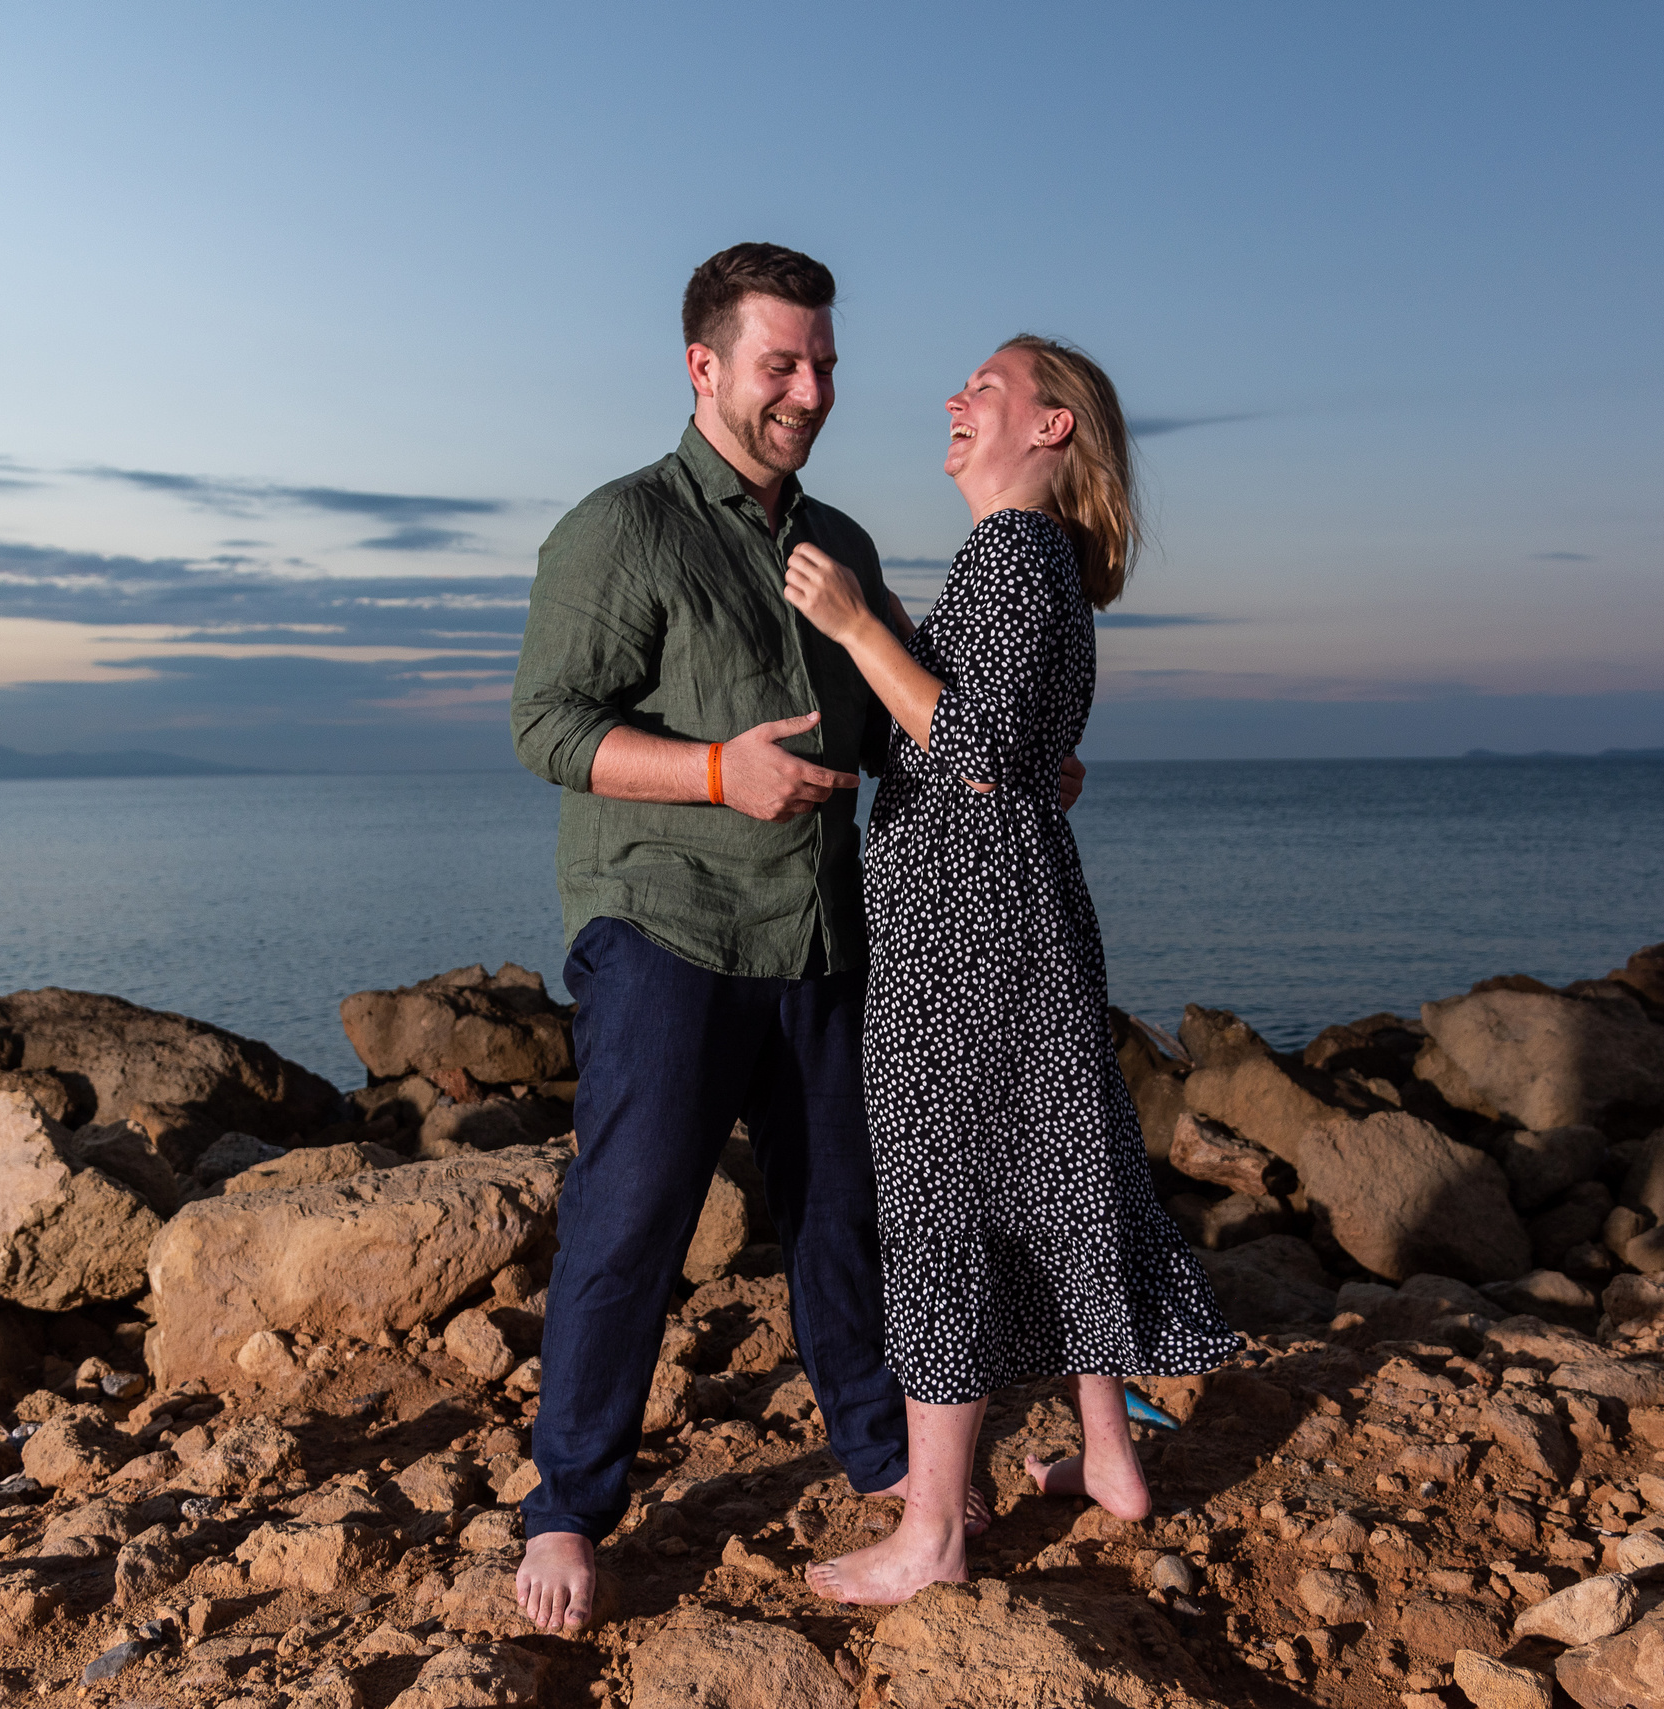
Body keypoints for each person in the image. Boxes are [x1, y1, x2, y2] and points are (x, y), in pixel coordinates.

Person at [506, 246, 1082, 1633]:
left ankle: (883, 1453)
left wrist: (1019, 758)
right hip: (667, 930)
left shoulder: (846, 546)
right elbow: (548, 729)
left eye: (823, 364)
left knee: (847, 1216)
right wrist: (717, 773)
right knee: (630, 1220)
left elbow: (897, 730)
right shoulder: (620, 530)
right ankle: (569, 1504)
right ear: (703, 368)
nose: (810, 391)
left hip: (825, 933)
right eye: (782, 365)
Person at [782, 334, 1238, 1606]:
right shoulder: (1040, 569)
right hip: (1016, 912)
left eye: (985, 387)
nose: (956, 399)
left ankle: (928, 1531)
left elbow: (968, 742)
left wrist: (855, 619)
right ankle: (1107, 1455)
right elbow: (1006, 746)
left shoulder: (1011, 554)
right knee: (1045, 1169)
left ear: (1051, 429)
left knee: (941, 1203)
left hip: (963, 932)